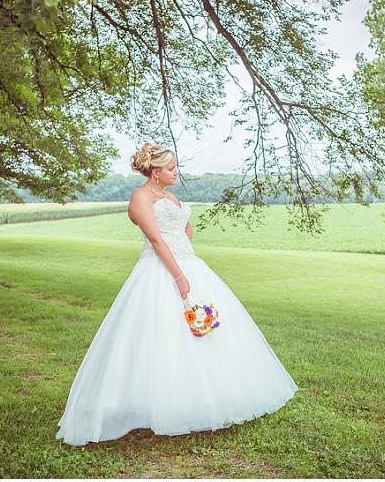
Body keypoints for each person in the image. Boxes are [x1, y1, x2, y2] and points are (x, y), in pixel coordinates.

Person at [55, 142, 298, 446]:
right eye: (171, 168)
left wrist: (187, 256)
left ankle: (205, 396)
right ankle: (156, 401)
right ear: (155, 172)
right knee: (161, 334)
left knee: (206, 332)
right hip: (161, 271)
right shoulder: (140, 198)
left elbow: (184, 229)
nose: (176, 173)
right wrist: (179, 276)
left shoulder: (170, 196)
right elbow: (157, 241)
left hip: (190, 264)